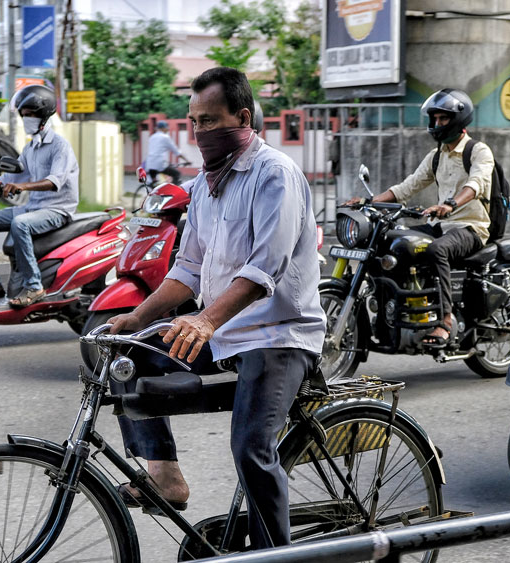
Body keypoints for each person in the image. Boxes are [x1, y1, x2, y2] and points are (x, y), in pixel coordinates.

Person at [106, 67, 326, 550]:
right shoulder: (204, 185)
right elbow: (187, 267)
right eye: (193, 122)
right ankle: (164, 475)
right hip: (222, 331)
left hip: (278, 335)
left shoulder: (276, 175)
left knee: (251, 448)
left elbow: (262, 270)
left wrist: (205, 319)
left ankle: (275, 557)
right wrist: (138, 319)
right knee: (124, 357)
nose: (199, 132)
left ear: (243, 118)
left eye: (209, 121)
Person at [348, 88, 494, 347]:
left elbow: (477, 184)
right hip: (440, 225)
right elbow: (408, 186)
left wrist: (450, 204)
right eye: (434, 119)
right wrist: (367, 201)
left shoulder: (478, 151)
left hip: (470, 228)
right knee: (392, 242)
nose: (437, 124)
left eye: (443, 119)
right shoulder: (437, 156)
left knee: (436, 250)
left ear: (458, 119)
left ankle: (446, 320)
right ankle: (391, 315)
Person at [0, 84, 79, 306]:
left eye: (30, 115)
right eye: (23, 115)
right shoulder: (30, 149)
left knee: (20, 224)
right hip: (34, 207)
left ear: (43, 115)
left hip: (57, 209)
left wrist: (25, 187)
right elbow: (12, 178)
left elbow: (54, 182)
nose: (26, 119)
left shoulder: (60, 146)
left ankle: (34, 287)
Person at [145, 120, 190, 184]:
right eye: (166, 127)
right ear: (163, 128)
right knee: (176, 174)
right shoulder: (165, 137)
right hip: (159, 164)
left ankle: (155, 190)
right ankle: (173, 192)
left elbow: (155, 151)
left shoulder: (152, 137)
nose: (168, 129)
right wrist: (187, 160)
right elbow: (176, 151)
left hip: (150, 165)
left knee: (154, 183)